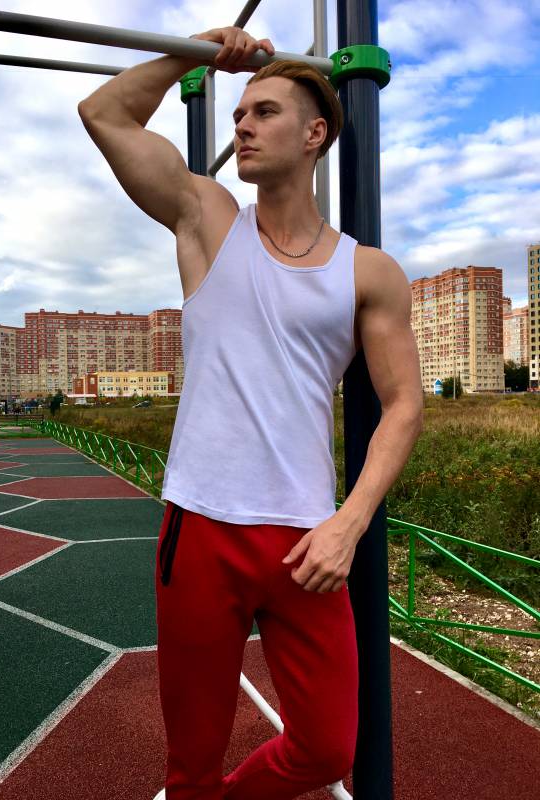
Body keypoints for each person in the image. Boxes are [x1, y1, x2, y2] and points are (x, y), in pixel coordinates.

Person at [78, 25, 423, 800]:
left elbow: (404, 404)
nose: (242, 126)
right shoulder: (208, 220)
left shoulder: (368, 271)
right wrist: (196, 52)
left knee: (327, 749)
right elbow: (103, 113)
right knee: (192, 764)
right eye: (238, 113)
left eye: (264, 112)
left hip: (308, 537)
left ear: (315, 133)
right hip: (202, 527)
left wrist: (350, 523)